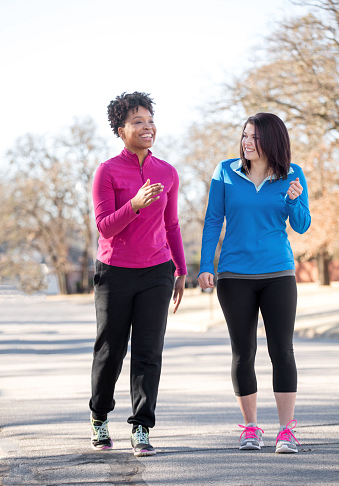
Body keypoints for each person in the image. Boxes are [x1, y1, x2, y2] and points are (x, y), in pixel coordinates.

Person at [198, 112, 311, 454]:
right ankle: (250, 428)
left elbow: (302, 225)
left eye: (254, 137)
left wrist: (293, 199)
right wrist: (206, 265)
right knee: (243, 352)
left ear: (272, 140)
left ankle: (286, 430)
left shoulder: (293, 175)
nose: (246, 142)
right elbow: (213, 220)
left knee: (282, 350)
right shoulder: (226, 171)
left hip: (278, 273)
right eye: (244, 135)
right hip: (234, 275)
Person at [89, 91, 187, 456]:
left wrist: (180, 270)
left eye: (150, 121)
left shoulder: (167, 171)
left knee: (149, 351)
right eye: (137, 122)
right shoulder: (108, 171)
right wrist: (134, 204)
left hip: (157, 271)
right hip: (115, 272)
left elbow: (172, 224)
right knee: (110, 350)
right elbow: (105, 228)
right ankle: (99, 416)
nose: (147, 127)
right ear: (120, 130)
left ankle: (142, 427)